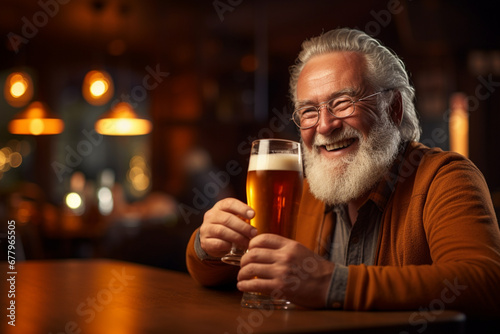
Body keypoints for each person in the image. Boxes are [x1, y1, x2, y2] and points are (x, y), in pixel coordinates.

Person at [185, 28, 500, 319]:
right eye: (309, 111)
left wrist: (331, 284)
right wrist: (207, 246)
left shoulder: (444, 177)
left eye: (343, 103)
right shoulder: (304, 191)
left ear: (393, 108)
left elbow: (484, 282)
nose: (324, 126)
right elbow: (226, 274)